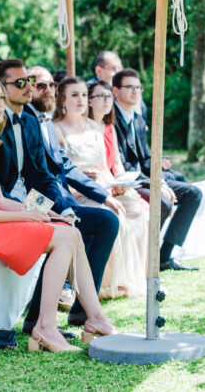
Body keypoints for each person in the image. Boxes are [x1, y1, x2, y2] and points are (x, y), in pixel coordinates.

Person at [0, 77, 117, 352]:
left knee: (77, 229)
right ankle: (45, 326)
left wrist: (50, 212)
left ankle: (96, 318)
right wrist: (27, 217)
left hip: (23, 203)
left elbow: (13, 191)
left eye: (0, 97)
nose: (0, 103)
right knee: (64, 237)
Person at [0, 59, 119, 333]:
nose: (30, 87)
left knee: (105, 222)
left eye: (29, 81)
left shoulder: (29, 120)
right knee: (59, 231)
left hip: (35, 201)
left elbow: (41, 174)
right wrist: (36, 211)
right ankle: (36, 321)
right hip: (3, 208)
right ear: (1, 88)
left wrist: (66, 209)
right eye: (21, 82)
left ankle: (83, 311)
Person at [53, 77, 147, 299]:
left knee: (135, 209)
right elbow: (58, 172)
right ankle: (105, 284)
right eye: (74, 95)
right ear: (63, 99)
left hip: (100, 188)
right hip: (74, 193)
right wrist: (85, 180)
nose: (81, 100)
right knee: (113, 215)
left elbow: (104, 167)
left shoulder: (96, 127)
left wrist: (113, 187)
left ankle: (131, 278)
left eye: (84, 95)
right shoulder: (56, 129)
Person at [112, 68, 200, 272]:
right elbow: (123, 164)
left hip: (142, 174)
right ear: (115, 90)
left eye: (138, 88)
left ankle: (164, 256)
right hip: (126, 180)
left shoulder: (138, 119)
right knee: (163, 202)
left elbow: (144, 158)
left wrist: (158, 163)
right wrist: (157, 182)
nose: (135, 92)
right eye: (129, 87)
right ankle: (146, 258)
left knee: (192, 193)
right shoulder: (111, 119)